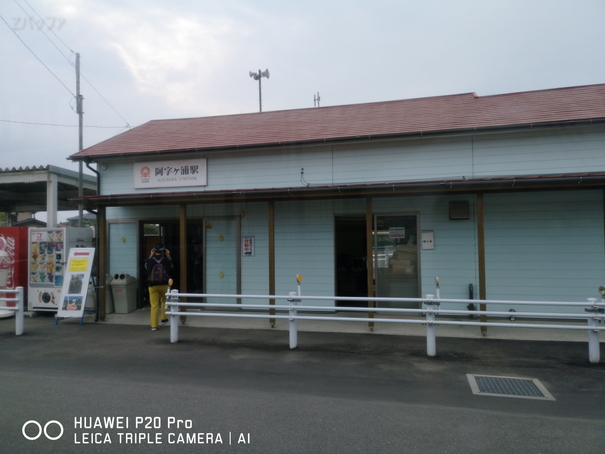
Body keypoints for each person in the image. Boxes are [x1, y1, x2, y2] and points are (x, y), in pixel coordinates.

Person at [145, 243, 173, 331]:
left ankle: (154, 325)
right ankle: (163, 318)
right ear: (163, 251)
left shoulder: (150, 261)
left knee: (154, 305)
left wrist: (150, 255)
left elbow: (146, 267)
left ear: (154, 251)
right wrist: (168, 256)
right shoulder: (166, 260)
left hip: (152, 285)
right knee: (164, 301)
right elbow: (171, 267)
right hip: (164, 284)